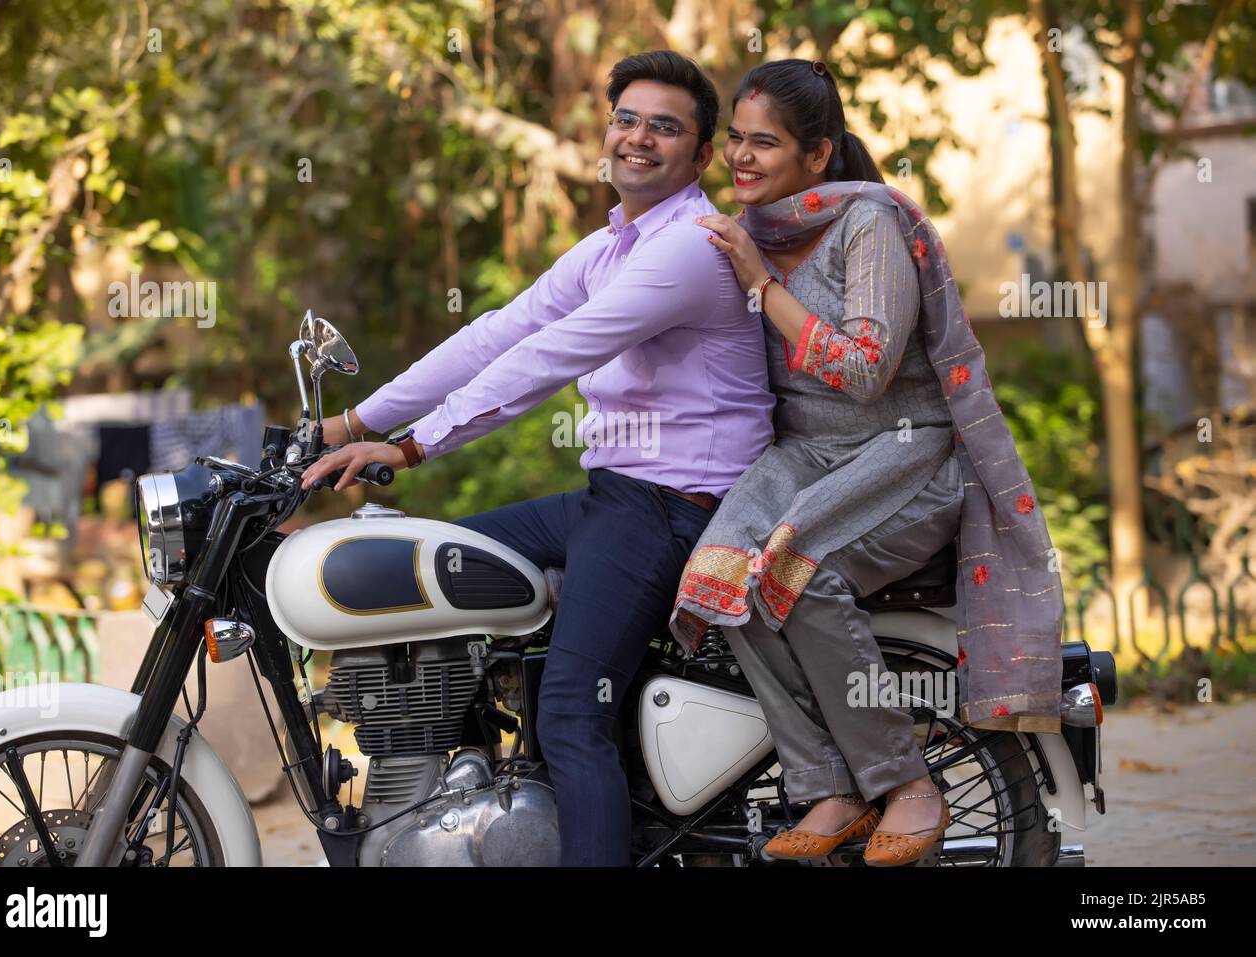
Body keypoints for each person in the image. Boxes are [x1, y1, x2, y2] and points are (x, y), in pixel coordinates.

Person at [300, 51, 775, 866]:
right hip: (613, 498)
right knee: (430, 573)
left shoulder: (688, 249)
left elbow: (553, 353)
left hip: (670, 508)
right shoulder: (612, 247)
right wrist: (347, 424)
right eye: (627, 118)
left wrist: (415, 444)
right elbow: (501, 330)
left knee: (569, 710)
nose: (639, 138)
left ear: (700, 157)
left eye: (666, 127)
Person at [671, 59, 1064, 865]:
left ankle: (907, 781)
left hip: (904, 454)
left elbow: (864, 369)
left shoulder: (868, 223)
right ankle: (830, 787)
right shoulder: (758, 227)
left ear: (818, 156)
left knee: (800, 573)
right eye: (736, 140)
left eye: (766, 143)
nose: (742, 157)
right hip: (807, 454)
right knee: (721, 577)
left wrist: (758, 282)